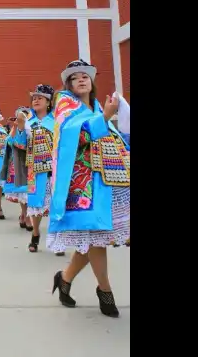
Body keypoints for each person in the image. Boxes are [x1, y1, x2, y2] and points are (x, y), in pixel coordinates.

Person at [48, 60, 129, 317]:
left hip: (103, 180)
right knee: (96, 237)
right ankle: (105, 291)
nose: (82, 80)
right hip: (81, 183)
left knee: (92, 238)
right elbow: (77, 139)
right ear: (68, 85)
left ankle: (64, 278)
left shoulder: (93, 107)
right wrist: (105, 117)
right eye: (75, 78)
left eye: (85, 76)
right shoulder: (65, 106)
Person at [10, 84, 57, 253]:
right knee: (36, 204)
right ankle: (36, 234)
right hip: (35, 169)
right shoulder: (29, 120)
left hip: (56, 168)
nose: (36, 100)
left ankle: (57, 238)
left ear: (49, 102)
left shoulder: (57, 120)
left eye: (40, 98)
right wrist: (21, 128)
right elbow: (19, 144)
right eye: (34, 98)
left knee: (56, 204)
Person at [3, 108, 31, 231]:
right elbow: (9, 142)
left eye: (23, 118)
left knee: (29, 192)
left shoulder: (31, 129)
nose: (20, 121)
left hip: (30, 163)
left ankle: (26, 215)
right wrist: (14, 130)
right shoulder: (15, 129)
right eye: (19, 118)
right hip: (18, 163)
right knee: (22, 192)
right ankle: (25, 215)